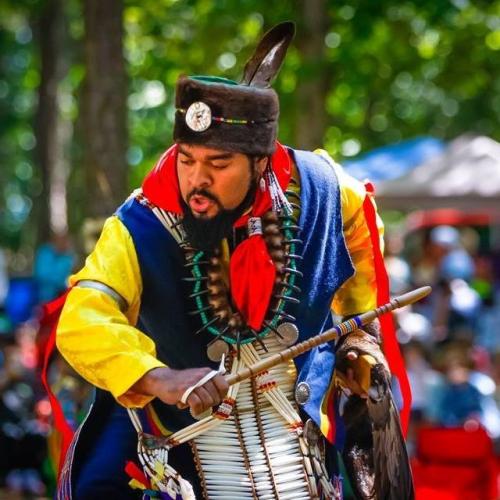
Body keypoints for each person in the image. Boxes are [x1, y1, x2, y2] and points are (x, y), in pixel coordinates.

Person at [53, 22, 411, 499]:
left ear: (260, 164)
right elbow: (83, 318)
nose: (195, 181)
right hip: (187, 463)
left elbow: (364, 233)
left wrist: (356, 334)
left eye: (218, 165)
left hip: (301, 460)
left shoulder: (324, 192)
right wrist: (159, 376)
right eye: (186, 159)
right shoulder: (140, 226)